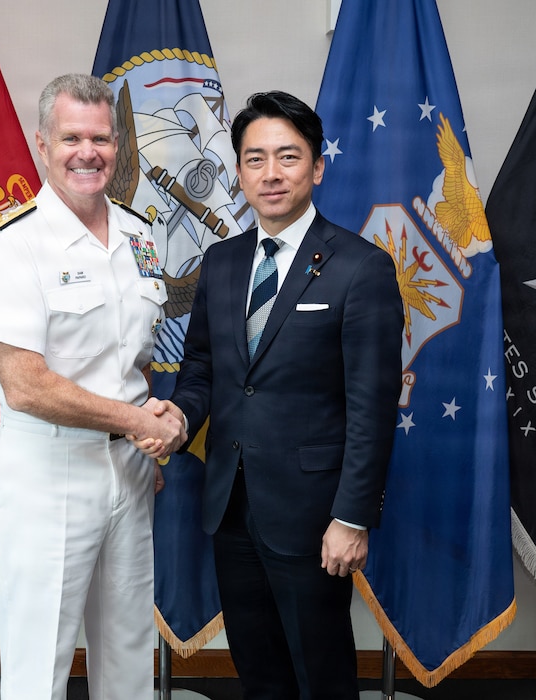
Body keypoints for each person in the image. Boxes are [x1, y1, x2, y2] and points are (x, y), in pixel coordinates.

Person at [140, 91, 403, 699]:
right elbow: (202, 366)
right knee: (258, 669)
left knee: (322, 673)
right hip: (230, 503)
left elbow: (372, 405)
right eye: (255, 159)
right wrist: (179, 413)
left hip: (314, 513)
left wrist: (351, 517)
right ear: (238, 172)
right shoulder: (224, 262)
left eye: (288, 157)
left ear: (316, 167)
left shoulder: (360, 268)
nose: (271, 173)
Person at [0, 73, 185, 700]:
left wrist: (148, 424)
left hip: (129, 470)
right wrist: (139, 421)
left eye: (100, 138)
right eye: (71, 138)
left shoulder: (140, 236)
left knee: (126, 657)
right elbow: (26, 386)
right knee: (40, 668)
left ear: (117, 145)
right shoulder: (13, 246)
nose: (87, 153)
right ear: (42, 144)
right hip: (50, 470)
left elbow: (133, 358)